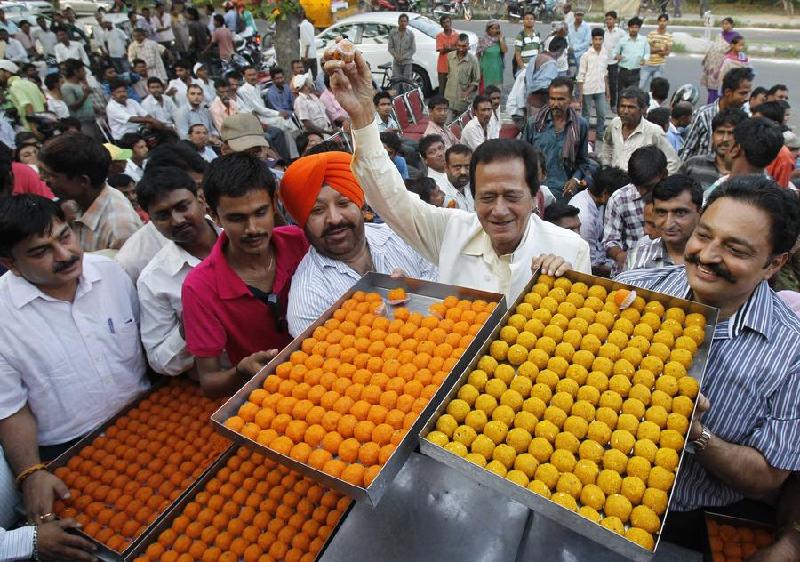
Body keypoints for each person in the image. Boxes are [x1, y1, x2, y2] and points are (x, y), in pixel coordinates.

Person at [616, 178, 800, 548]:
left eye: (735, 249)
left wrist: (697, 434)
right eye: (704, 235)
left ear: (773, 264)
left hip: (686, 525)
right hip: (576, 486)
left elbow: (769, 474)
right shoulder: (633, 290)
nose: (708, 255)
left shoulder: (792, 350)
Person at [324, 50, 591, 300]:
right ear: (472, 197)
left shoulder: (570, 250)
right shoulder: (452, 232)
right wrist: (361, 115)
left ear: (534, 197)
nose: (499, 211)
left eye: (511, 196)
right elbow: (389, 198)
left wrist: (567, 292)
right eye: (486, 197)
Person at [0, 195, 149, 531]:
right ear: (10, 263)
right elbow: (10, 409)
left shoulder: (110, 274)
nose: (65, 256)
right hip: (70, 452)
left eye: (64, 237)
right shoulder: (3, 317)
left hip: (145, 421)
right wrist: (31, 472)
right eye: (41, 252)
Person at [181, 153, 308, 396]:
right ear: (214, 215)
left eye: (260, 213)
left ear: (274, 203)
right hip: (273, 398)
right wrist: (241, 371)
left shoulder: (299, 243)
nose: (253, 229)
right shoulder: (199, 288)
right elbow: (209, 381)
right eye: (237, 218)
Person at [281, 151, 436, 335]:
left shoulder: (402, 236)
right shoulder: (307, 300)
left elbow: (449, 293)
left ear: (360, 204)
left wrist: (417, 293)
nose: (335, 219)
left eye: (344, 203)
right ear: (301, 221)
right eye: (317, 210)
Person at [136, 166, 219, 377]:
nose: (177, 220)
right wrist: (186, 329)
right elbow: (160, 361)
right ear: (151, 222)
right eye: (163, 215)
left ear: (200, 199)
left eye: (183, 206)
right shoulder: (154, 280)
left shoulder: (241, 236)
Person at [115, 142, 208, 281]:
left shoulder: (227, 228)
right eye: (196, 187)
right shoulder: (131, 262)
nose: (203, 195)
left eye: (203, 186)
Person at [38, 133, 142, 252]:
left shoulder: (118, 229)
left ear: (83, 181)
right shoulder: (77, 202)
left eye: (51, 175)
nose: (42, 178)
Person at [602, 145, 669, 272]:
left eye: (649, 186)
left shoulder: (675, 197)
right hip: (629, 270)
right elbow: (610, 240)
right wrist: (621, 256)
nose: (643, 192)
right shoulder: (619, 199)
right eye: (638, 186)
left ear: (664, 174)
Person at [524, 77, 591, 203]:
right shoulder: (534, 123)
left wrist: (575, 180)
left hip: (563, 194)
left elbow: (583, 162)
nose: (555, 104)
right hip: (535, 192)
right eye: (552, 99)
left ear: (570, 100)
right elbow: (522, 157)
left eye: (561, 99)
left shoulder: (580, 125)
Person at [624, 174, 702, 271]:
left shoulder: (713, 261)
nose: (669, 223)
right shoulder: (637, 258)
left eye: (680, 212)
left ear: (700, 214)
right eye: (661, 212)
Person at [681, 67, 754, 160]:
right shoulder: (704, 115)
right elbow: (688, 150)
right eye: (742, 93)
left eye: (748, 93)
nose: (746, 98)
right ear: (728, 92)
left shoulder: (747, 117)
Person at [601, 86, 679, 173]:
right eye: (622, 106)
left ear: (642, 109)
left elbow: (673, 161)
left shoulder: (654, 131)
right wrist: (606, 166)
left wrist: (660, 184)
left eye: (631, 107)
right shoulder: (615, 124)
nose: (625, 111)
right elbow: (607, 144)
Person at [569, 166, 628, 276]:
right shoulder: (585, 218)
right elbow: (591, 265)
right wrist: (624, 270)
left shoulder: (598, 201)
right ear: (605, 194)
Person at [680, 108, 746, 189]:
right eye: (720, 132)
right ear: (712, 135)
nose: (725, 139)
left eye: (731, 133)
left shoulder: (750, 174)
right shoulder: (692, 165)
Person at [752, 101, 795, 189]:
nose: (752, 126)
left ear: (775, 124)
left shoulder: (783, 156)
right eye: (752, 121)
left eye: (759, 122)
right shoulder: (747, 144)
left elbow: (780, 191)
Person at [576, 28, 609, 142]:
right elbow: (581, 75)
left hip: (600, 89)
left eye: (600, 39)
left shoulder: (605, 54)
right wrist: (580, 94)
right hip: (587, 89)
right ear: (592, 40)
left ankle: (600, 134)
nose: (598, 42)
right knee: (586, 115)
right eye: (596, 39)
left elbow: (605, 72)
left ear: (603, 40)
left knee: (602, 113)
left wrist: (607, 90)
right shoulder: (586, 55)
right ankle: (584, 135)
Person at [524, 35, 566, 114]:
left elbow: (526, 79)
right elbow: (544, 87)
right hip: (539, 104)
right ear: (561, 50)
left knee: (530, 125)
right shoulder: (551, 64)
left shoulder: (537, 57)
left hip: (529, 100)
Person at [700, 17, 737, 104]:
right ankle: (711, 103)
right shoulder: (720, 35)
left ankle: (716, 104)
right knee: (710, 85)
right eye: (723, 24)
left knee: (718, 86)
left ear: (732, 25)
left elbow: (734, 50)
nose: (725, 26)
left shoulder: (735, 36)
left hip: (722, 65)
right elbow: (714, 46)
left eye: (727, 23)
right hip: (712, 64)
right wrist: (706, 58)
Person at [0, 60, 45, 130]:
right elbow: (45, 104)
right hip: (43, 125)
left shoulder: (14, 86)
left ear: (8, 72)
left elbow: (28, 105)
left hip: (32, 130)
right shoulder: (30, 83)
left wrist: (34, 129)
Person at [444, 34, 480, 117]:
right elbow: (448, 74)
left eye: (464, 46)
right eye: (459, 46)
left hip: (463, 101)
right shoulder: (449, 56)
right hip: (449, 98)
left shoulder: (473, 60)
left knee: (463, 126)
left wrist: (466, 92)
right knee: (447, 125)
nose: (461, 49)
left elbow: (476, 81)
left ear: (468, 45)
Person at [612, 17, 649, 92]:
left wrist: (644, 59)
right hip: (623, 72)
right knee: (621, 96)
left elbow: (647, 53)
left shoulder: (643, 40)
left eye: (636, 27)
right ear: (628, 28)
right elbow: (614, 52)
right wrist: (616, 56)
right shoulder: (622, 40)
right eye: (632, 27)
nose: (634, 29)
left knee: (633, 96)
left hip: (635, 72)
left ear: (639, 28)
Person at [639, 13, 672, 92]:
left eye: (664, 21)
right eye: (660, 21)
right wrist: (660, 48)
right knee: (640, 86)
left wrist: (654, 48)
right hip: (648, 64)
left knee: (655, 89)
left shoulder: (669, 36)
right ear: (658, 22)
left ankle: (652, 103)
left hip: (659, 66)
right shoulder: (652, 34)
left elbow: (667, 52)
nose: (662, 23)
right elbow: (647, 50)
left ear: (667, 22)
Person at [602, 11, 627, 111]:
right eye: (607, 19)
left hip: (613, 62)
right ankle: (602, 103)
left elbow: (626, 45)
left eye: (610, 19)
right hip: (603, 61)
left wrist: (621, 55)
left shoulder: (621, 33)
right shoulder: (603, 32)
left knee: (613, 84)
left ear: (615, 20)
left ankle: (613, 105)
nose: (608, 21)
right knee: (602, 83)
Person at [477, 20, 506, 91]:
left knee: (496, 90)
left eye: (497, 28)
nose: (495, 30)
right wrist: (478, 69)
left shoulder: (500, 39)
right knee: (486, 91)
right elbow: (478, 55)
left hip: (497, 69)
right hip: (486, 69)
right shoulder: (483, 40)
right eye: (492, 28)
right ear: (488, 30)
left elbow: (504, 50)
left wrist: (501, 39)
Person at [388, 14, 415, 84]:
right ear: (398, 22)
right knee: (396, 82)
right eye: (401, 21)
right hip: (396, 62)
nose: (403, 23)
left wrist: (402, 57)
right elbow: (390, 47)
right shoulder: (392, 33)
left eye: (405, 21)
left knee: (407, 83)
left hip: (407, 62)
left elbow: (413, 49)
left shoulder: (410, 34)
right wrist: (396, 56)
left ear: (407, 23)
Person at [436, 15, 459, 94]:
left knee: (453, 89)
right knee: (442, 90)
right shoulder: (439, 36)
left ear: (451, 23)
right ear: (442, 25)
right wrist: (453, 47)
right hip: (442, 67)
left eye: (448, 22)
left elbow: (459, 49)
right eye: (444, 23)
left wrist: (447, 48)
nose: (446, 24)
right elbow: (441, 51)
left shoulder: (456, 35)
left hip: (453, 66)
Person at [514, 11, 540, 76]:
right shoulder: (520, 35)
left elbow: (538, 50)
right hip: (524, 69)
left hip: (535, 68)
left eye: (531, 19)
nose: (529, 21)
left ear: (534, 21)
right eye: (527, 19)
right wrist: (523, 69)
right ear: (523, 21)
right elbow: (518, 56)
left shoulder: (537, 33)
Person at [298, 10, 317, 80]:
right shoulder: (310, 25)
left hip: (306, 55)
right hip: (313, 54)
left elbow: (307, 42)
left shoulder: (302, 26)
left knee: (304, 76)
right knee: (315, 76)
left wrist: (306, 55)